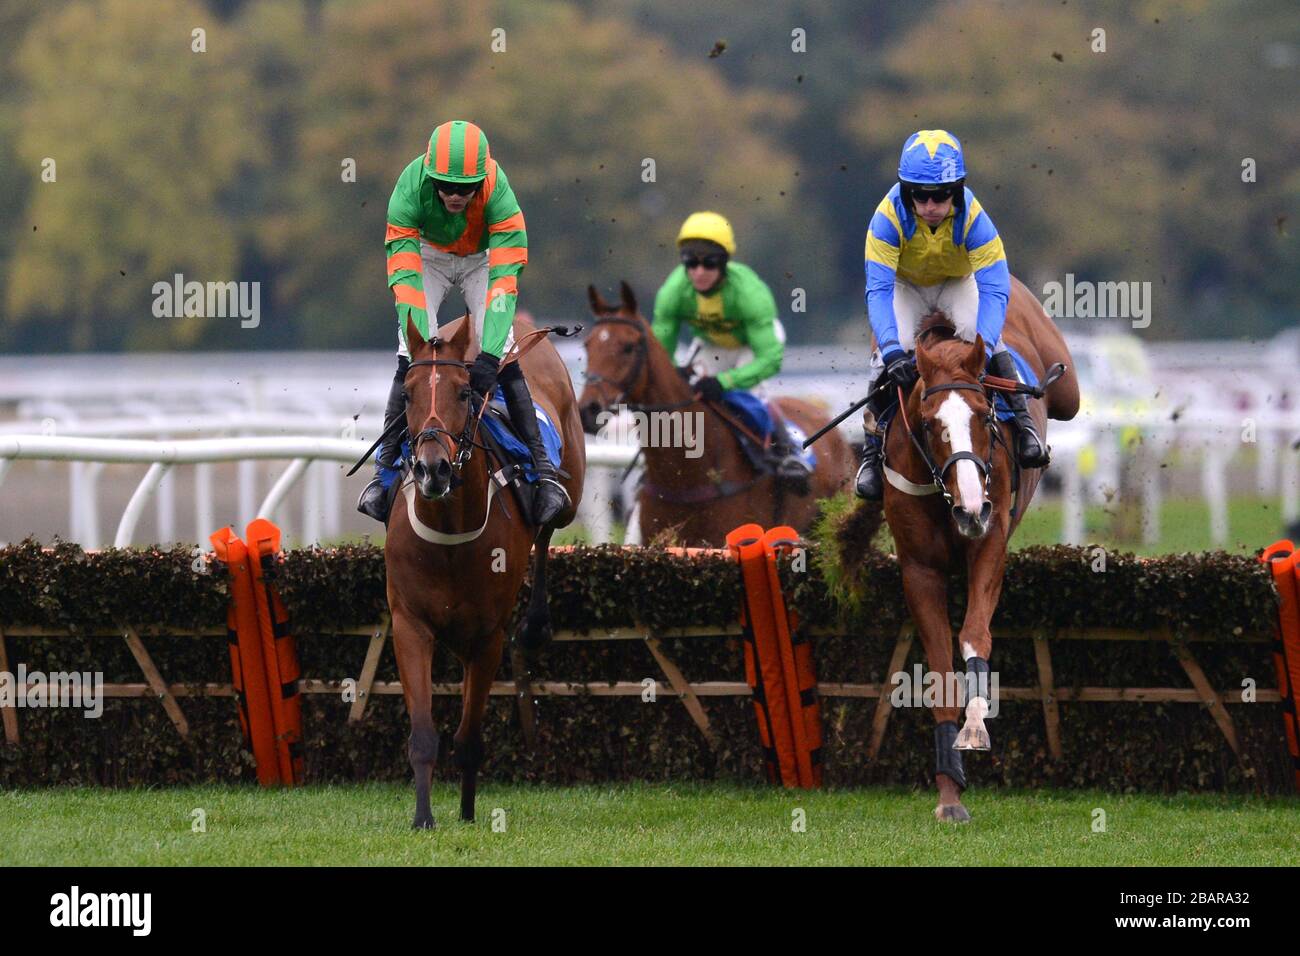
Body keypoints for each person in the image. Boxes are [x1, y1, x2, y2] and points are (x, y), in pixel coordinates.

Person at [357, 120, 568, 525]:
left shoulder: (500, 196)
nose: (455, 195)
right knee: (409, 353)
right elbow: (404, 279)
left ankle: (544, 474)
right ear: (429, 175)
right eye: (445, 186)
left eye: (465, 188)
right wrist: (421, 346)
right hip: (428, 256)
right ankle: (384, 474)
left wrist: (489, 356)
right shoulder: (407, 190)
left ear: (482, 179)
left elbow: (504, 284)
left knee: (505, 352)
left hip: (483, 259)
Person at [855, 129, 1048, 501]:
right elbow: (878, 291)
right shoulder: (885, 219)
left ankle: (1025, 427)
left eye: (940, 195)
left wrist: (986, 348)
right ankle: (871, 452)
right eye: (919, 195)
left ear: (957, 190)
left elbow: (993, 287)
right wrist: (895, 351)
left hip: (957, 283)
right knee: (881, 359)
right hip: (905, 287)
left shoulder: (975, 218)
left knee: (985, 339)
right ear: (905, 190)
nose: (929, 204)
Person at [651, 211, 811, 485]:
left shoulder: (749, 292)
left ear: (724, 262)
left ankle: (787, 451)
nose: (699, 272)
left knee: (742, 399)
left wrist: (726, 381)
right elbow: (659, 350)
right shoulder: (673, 291)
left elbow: (770, 359)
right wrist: (670, 373)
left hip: (754, 347)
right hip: (711, 345)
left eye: (709, 263)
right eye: (691, 262)